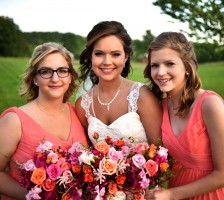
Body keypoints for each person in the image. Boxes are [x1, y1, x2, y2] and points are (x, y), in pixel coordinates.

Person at [0, 42, 88, 199]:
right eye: (46, 72)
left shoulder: (77, 113)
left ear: (70, 77)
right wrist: (34, 196)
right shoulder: (14, 121)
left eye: (62, 71)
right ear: (35, 78)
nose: (55, 78)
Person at [144, 32, 224, 199]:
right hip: (177, 191)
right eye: (155, 65)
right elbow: (170, 161)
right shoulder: (163, 106)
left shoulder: (210, 104)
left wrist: (171, 195)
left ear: (187, 67)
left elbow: (222, 174)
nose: (160, 72)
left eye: (169, 64)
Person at [75, 20, 162, 147]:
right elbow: (88, 153)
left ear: (125, 56)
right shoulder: (83, 105)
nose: (107, 62)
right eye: (99, 54)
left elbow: (161, 151)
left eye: (115, 54)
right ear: (91, 57)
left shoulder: (142, 96)